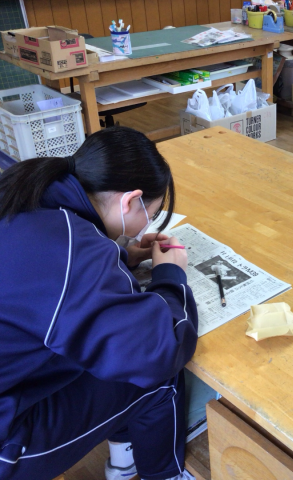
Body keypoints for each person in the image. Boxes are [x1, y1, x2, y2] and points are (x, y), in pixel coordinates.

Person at [0, 127, 198, 480]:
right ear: (130, 201)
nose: (144, 227)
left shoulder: (26, 189)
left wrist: (119, 256)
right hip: (8, 439)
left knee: (101, 347)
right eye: (150, 214)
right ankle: (166, 475)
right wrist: (170, 275)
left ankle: (124, 460)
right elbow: (158, 352)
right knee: (158, 378)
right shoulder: (75, 250)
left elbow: (46, 276)